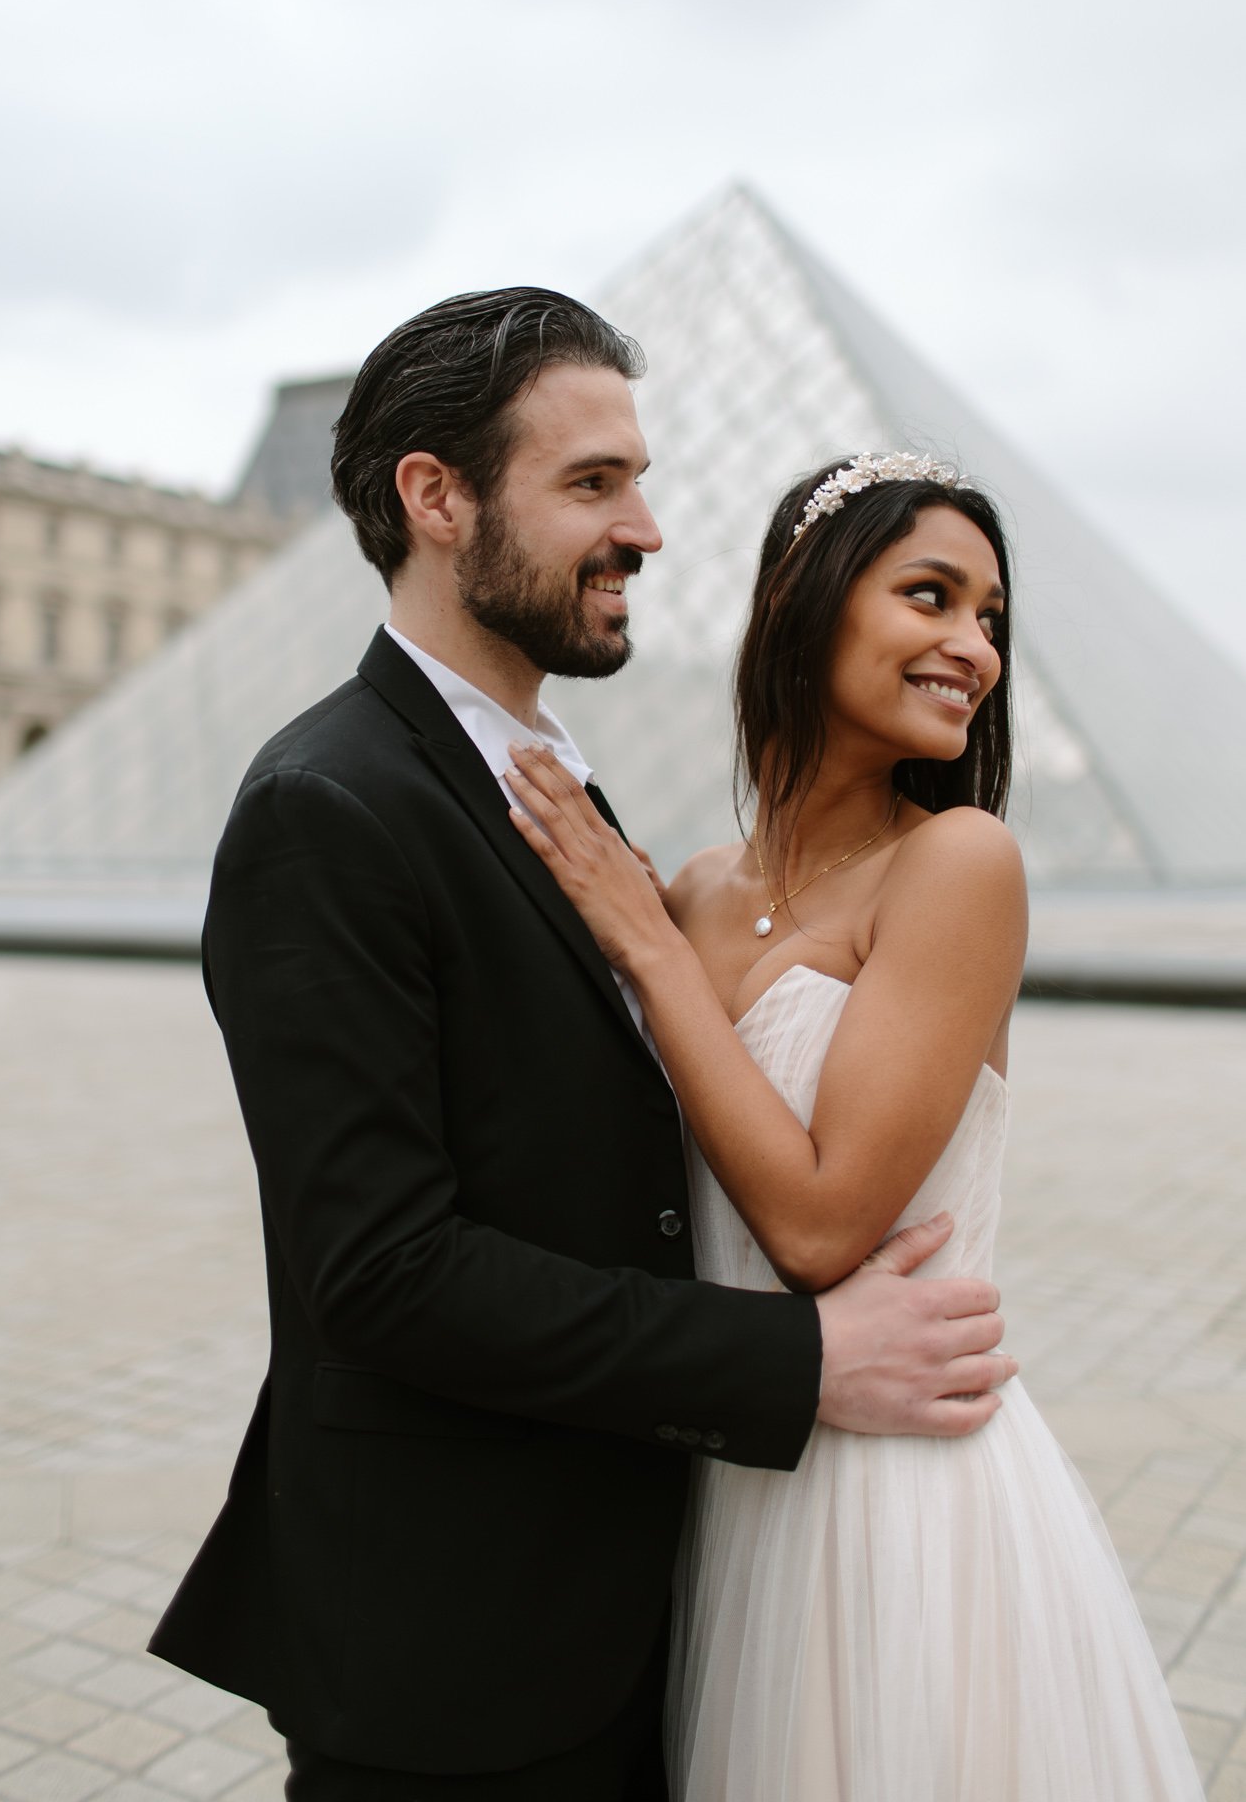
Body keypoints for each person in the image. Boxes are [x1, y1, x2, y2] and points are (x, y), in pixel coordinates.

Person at [148, 298, 1016, 1802]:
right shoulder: (329, 808)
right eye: (594, 484)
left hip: (651, 1601)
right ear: (437, 499)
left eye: (644, 480)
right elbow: (385, 1273)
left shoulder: (557, 801)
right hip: (458, 1652)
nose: (651, 530)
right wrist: (793, 1360)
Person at [503, 452, 1206, 1801]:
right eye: (929, 596)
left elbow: (824, 1227)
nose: (973, 648)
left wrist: (645, 956)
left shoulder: (956, 865)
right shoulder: (696, 890)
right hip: (726, 1480)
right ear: (802, 602)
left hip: (900, 1506)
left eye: (989, 616)